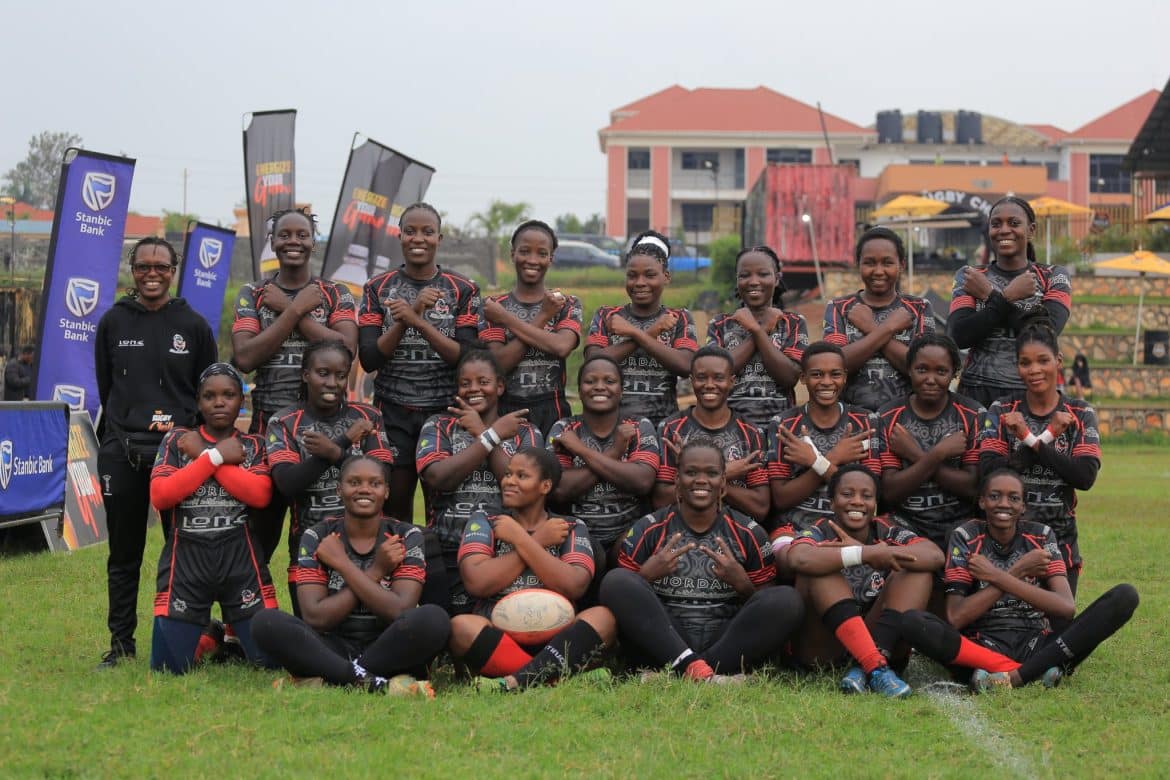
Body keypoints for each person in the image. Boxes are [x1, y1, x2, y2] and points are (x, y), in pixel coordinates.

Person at [898, 468, 1138, 692]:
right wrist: (1018, 571)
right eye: (994, 496)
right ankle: (1034, 672)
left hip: (1037, 642)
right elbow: (956, 616)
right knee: (912, 622)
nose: (1004, 504)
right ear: (982, 501)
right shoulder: (966, 536)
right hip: (981, 646)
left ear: (1023, 506)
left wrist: (998, 575)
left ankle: (1013, 677)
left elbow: (1065, 607)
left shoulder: (1041, 535)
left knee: (1124, 596)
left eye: (1013, 498)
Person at [94, 237, 217, 669]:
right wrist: (125, 428)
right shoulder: (113, 321)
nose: (151, 274)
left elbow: (208, 392)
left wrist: (193, 441)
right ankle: (120, 645)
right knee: (123, 554)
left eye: (160, 266)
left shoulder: (194, 325)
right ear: (132, 270)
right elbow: (107, 387)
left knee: (185, 552)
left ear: (173, 270)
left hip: (178, 454)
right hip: (122, 451)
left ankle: (191, 641)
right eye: (143, 266)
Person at [601, 439, 802, 681]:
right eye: (691, 472)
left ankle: (690, 670)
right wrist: (646, 576)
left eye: (712, 473)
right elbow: (627, 600)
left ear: (723, 483)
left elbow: (763, 605)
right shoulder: (648, 529)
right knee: (616, 580)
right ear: (677, 481)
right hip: (666, 638)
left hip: (724, 640)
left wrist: (743, 585)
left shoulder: (749, 533)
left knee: (787, 599)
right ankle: (703, 673)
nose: (701, 480)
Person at [251, 455, 450, 694]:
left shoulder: (405, 536)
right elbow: (316, 617)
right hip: (332, 647)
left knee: (434, 619)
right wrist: (376, 571)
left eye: (375, 483)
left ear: (386, 491)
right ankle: (369, 681)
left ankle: (337, 676)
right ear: (339, 490)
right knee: (265, 622)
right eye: (354, 482)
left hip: (389, 645)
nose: (364, 489)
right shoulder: (318, 536)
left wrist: (344, 565)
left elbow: (399, 610)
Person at [231, 207, 358, 562]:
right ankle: (252, 598)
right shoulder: (253, 293)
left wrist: (290, 309)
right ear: (272, 242)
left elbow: (347, 350)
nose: (293, 242)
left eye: (302, 235)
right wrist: (293, 311)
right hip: (268, 423)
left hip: (327, 426)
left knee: (321, 538)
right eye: (284, 235)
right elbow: (245, 358)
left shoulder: (335, 293)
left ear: (313, 243)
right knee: (259, 533)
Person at [448, 447, 616, 692]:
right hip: (499, 636)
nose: (509, 481)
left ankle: (515, 681)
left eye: (522, 476)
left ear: (545, 486)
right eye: (508, 474)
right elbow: (477, 582)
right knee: (461, 627)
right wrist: (536, 541)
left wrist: (523, 540)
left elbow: (574, 585)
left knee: (604, 618)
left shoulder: (568, 526)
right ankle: (550, 678)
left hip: (559, 637)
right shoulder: (486, 520)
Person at [148, 363, 276, 674]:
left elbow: (260, 495)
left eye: (229, 395)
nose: (219, 402)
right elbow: (161, 495)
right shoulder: (178, 440)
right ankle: (211, 636)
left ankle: (222, 633)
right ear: (198, 401)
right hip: (186, 560)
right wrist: (216, 455)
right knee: (168, 668)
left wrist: (204, 454)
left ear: (241, 400)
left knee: (269, 663)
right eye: (210, 396)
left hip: (240, 560)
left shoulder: (253, 445)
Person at [359, 203, 482, 525]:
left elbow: (466, 358)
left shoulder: (463, 289)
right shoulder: (377, 288)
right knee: (394, 506)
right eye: (410, 231)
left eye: (427, 232)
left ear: (439, 238)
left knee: (442, 509)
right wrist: (409, 316)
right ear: (399, 236)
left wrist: (417, 321)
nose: (418, 238)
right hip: (392, 411)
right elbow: (369, 359)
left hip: (444, 412)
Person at [784, 465, 944, 697]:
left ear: (875, 505)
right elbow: (798, 558)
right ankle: (873, 666)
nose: (857, 502)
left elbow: (935, 556)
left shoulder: (886, 530)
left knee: (916, 570)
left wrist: (883, 553)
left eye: (866, 496)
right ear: (832, 503)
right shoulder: (819, 531)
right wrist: (864, 554)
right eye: (847, 494)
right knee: (818, 566)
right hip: (825, 650)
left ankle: (870, 667)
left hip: (880, 641)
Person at [266, 340, 395, 615]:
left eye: (340, 375)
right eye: (323, 373)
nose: (333, 383)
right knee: (314, 629)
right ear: (306, 375)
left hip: (370, 547)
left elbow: (382, 479)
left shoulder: (368, 416)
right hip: (310, 548)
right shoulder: (284, 422)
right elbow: (287, 483)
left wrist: (334, 452)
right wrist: (343, 442)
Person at [416, 350, 543, 614]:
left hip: (505, 545)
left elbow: (525, 487)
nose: (474, 389)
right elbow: (438, 478)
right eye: (465, 383)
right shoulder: (438, 425)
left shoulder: (524, 430)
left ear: (500, 386)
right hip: (448, 543)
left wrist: (485, 433)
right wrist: (491, 437)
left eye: (483, 382)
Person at [978, 324, 1100, 596]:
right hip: (1005, 542)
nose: (1034, 370)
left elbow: (1084, 476)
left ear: (1058, 361)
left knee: (1059, 621)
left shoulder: (1080, 413)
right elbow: (987, 474)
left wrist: (1029, 438)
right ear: (1017, 367)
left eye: (1043, 360)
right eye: (1025, 363)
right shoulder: (1002, 410)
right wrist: (1047, 436)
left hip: (1060, 543)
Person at [947, 196, 1072, 407]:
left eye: (1014, 223)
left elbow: (1045, 334)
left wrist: (991, 296)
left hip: (1031, 393)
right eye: (996, 224)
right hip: (976, 393)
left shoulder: (1053, 276)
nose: (1004, 230)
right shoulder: (970, 276)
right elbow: (958, 335)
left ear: (1031, 230)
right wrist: (1005, 298)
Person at [548, 355, 660, 587]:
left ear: (621, 390)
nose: (599, 386)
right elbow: (559, 490)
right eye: (590, 381)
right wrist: (615, 452)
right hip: (578, 533)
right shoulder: (564, 428)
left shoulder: (638, 427)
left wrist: (580, 450)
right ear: (579, 390)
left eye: (609, 381)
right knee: (588, 549)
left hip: (628, 532)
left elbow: (642, 481)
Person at [875, 333, 982, 553]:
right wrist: (938, 453)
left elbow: (973, 488)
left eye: (941, 371)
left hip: (960, 523)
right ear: (909, 369)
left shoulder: (973, 415)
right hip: (905, 523)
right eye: (922, 369)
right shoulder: (887, 417)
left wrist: (915, 454)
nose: (930, 379)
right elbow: (889, 492)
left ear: (954, 373)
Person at [479, 220, 583, 435]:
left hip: (554, 411)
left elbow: (561, 346)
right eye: (525, 251)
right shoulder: (493, 306)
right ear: (513, 254)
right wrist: (543, 317)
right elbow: (498, 365)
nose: (532, 260)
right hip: (506, 412)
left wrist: (506, 319)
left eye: (542, 253)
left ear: (551, 259)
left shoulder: (565, 304)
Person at [586, 230, 697, 429]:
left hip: (663, 425)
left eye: (650, 275)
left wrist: (634, 332)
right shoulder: (606, 315)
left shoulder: (679, 318)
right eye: (632, 276)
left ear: (666, 277)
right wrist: (649, 333)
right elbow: (593, 364)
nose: (640, 283)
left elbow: (686, 366)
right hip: (612, 425)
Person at [766, 342, 881, 536]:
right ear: (803, 378)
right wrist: (834, 458)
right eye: (817, 374)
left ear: (845, 377)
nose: (826, 382)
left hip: (851, 529)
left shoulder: (866, 422)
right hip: (795, 529)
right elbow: (781, 499)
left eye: (835, 374)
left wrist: (815, 462)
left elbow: (869, 496)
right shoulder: (783, 424)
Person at [823, 227, 935, 412]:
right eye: (869, 263)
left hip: (905, 417)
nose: (878, 271)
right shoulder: (839, 307)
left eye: (887, 263)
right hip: (851, 417)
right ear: (858, 264)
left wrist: (870, 327)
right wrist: (888, 328)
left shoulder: (919, 308)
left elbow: (924, 368)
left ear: (901, 265)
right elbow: (834, 366)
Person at [653, 345, 770, 521]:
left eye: (718, 378)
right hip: (683, 527)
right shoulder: (671, 429)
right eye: (701, 378)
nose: (709, 385)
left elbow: (760, 507)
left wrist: (699, 478)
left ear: (732, 381)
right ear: (691, 380)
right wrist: (724, 474)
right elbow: (660, 501)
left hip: (736, 529)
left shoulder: (751, 433)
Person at [706, 245, 807, 428]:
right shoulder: (720, 324)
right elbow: (716, 373)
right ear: (737, 280)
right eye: (745, 275)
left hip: (780, 428)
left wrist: (757, 330)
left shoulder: (793, 323)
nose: (753, 281)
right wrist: (761, 330)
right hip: (730, 428)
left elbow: (790, 377)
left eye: (763, 274)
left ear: (777, 279)